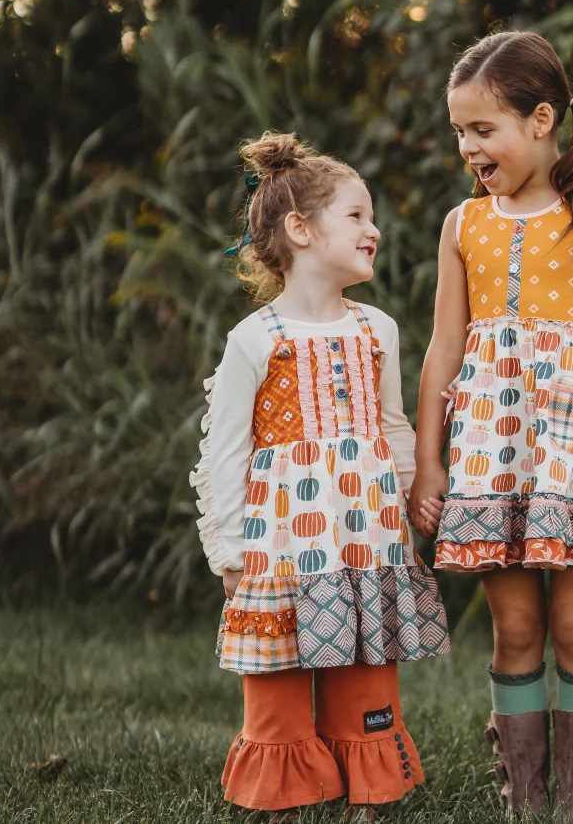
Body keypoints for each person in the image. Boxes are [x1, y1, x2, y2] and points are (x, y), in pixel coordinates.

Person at [410, 31, 573, 819]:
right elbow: (442, 348)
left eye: (481, 129)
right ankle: (523, 797)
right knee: (515, 628)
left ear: (540, 119)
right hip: (492, 456)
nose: (467, 147)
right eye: (458, 131)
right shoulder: (463, 225)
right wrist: (429, 461)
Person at [190, 132, 449, 822]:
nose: (374, 229)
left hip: (366, 540)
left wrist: (414, 496)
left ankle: (364, 793)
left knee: (364, 667)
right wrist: (227, 548)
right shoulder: (256, 339)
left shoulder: (378, 330)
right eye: (357, 215)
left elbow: (393, 427)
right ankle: (283, 792)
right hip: (281, 547)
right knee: (276, 676)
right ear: (299, 229)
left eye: (371, 217)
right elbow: (225, 454)